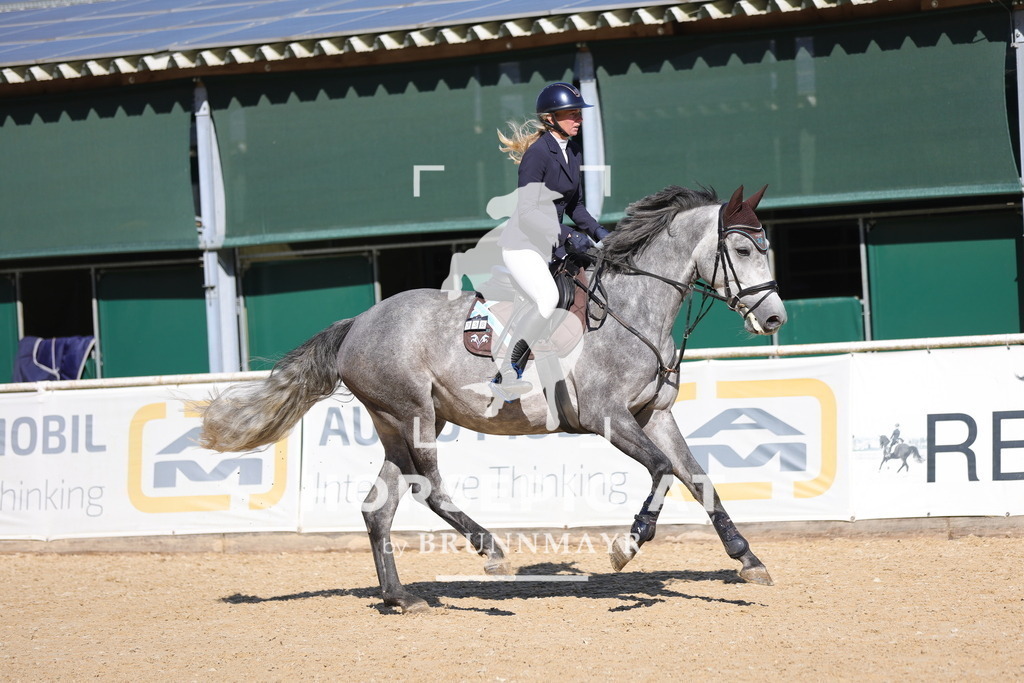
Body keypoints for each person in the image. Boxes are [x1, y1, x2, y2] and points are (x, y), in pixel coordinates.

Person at [490, 81, 610, 400]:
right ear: (550, 118)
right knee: (546, 298)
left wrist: (601, 233)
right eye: (572, 114)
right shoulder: (538, 154)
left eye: (579, 113)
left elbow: (575, 206)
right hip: (523, 245)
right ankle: (507, 370)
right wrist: (568, 234)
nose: (578, 119)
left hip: (552, 245)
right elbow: (528, 211)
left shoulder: (572, 150)